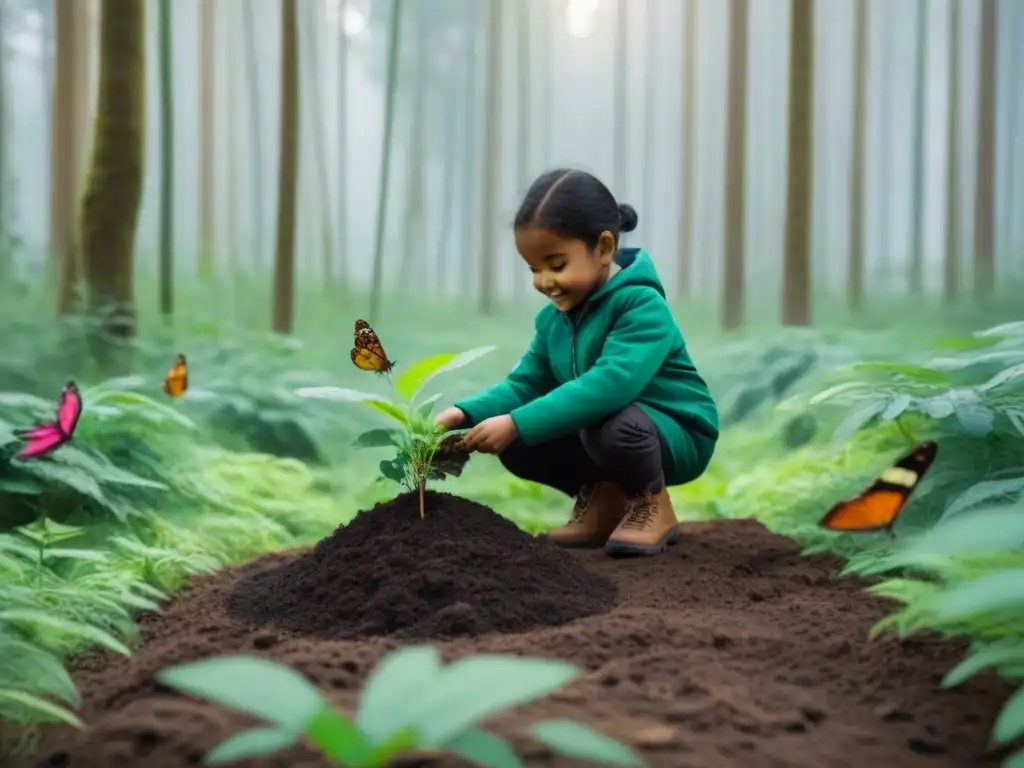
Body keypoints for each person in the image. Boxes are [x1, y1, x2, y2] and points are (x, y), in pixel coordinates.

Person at [435, 168, 719, 557]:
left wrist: (517, 422)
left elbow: (610, 384)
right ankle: (602, 503)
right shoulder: (553, 320)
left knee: (604, 424)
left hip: (676, 431)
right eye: (534, 269)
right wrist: (462, 413)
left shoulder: (641, 306)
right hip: (607, 426)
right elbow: (525, 384)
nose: (544, 281)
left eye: (556, 265)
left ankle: (651, 503)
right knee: (520, 443)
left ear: (603, 248)